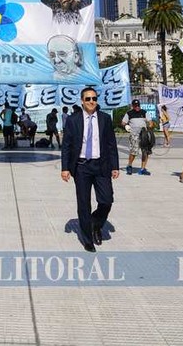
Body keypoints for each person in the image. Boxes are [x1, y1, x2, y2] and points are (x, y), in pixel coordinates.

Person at [61, 87, 119, 253]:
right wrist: (65, 168)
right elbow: (66, 145)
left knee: (106, 200)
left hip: (102, 166)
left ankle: (95, 223)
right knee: (84, 204)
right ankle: (87, 239)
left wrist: (115, 166)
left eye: (94, 98)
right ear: (82, 101)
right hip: (81, 167)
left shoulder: (105, 119)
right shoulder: (73, 120)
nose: (91, 101)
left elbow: (111, 144)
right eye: (88, 99)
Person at [122, 99, 153, 175]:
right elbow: (123, 122)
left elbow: (150, 122)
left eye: (138, 105)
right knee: (134, 152)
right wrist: (126, 126)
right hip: (134, 135)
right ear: (133, 106)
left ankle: (142, 169)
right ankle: (129, 166)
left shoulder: (144, 112)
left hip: (144, 135)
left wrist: (150, 125)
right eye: (135, 106)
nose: (137, 107)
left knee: (145, 152)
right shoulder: (129, 113)